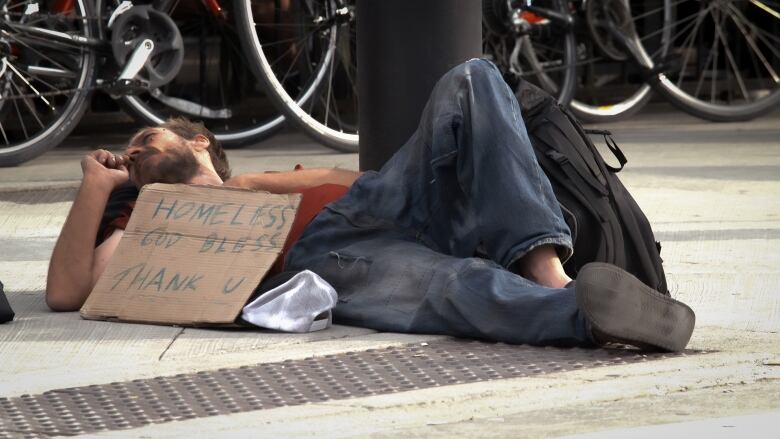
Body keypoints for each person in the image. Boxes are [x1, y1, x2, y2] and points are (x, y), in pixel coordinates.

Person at [46, 59, 695, 351]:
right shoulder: (146, 219)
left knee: (471, 78)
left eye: (145, 136)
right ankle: (577, 309)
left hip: (386, 202)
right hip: (327, 260)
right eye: (128, 151)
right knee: (451, 288)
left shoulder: (275, 179)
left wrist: (244, 187)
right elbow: (69, 290)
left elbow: (372, 181)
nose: (133, 150)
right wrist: (99, 188)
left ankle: (546, 267)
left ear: (198, 141)